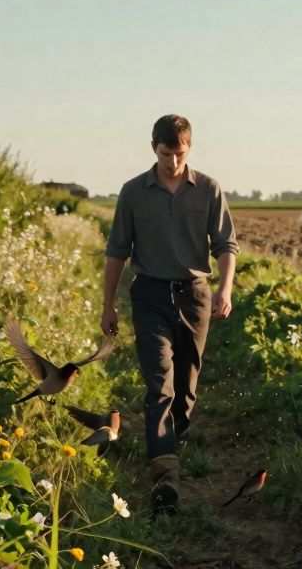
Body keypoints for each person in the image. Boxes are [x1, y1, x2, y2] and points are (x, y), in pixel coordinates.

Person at [100, 114, 238, 512]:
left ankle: (172, 443)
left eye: (179, 154)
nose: (172, 162)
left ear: (189, 148)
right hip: (149, 296)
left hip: (195, 295)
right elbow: (116, 252)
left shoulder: (208, 189)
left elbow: (226, 245)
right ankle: (165, 476)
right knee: (159, 380)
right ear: (153, 148)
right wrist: (108, 305)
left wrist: (224, 290)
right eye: (165, 154)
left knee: (185, 387)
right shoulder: (133, 192)